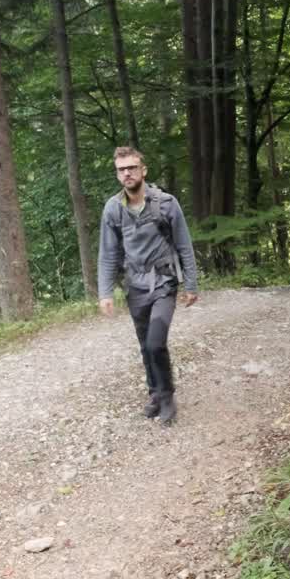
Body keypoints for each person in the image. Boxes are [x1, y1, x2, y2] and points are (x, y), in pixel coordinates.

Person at [97, 147, 199, 425]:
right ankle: (154, 393)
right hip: (135, 286)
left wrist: (191, 283)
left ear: (144, 170)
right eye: (121, 169)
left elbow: (183, 244)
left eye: (131, 167)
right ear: (118, 174)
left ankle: (167, 398)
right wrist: (105, 292)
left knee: (156, 342)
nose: (127, 173)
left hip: (164, 283)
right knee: (145, 345)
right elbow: (108, 253)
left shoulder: (166, 203)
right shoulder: (113, 208)